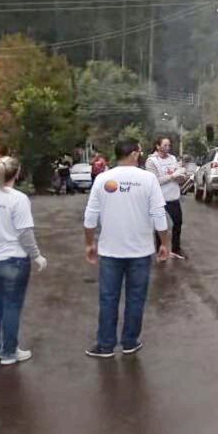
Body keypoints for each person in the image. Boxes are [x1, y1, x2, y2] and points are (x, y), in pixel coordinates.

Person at [83, 137, 170, 358]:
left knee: (108, 297)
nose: (140, 155)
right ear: (133, 154)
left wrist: (89, 243)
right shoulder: (148, 179)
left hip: (110, 252)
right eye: (139, 152)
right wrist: (165, 243)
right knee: (135, 297)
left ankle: (105, 345)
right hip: (140, 252)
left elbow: (90, 216)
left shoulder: (102, 179)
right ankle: (130, 342)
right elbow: (158, 214)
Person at [0, 156, 47, 366]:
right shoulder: (18, 199)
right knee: (11, 305)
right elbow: (24, 233)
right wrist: (37, 256)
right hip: (13, 259)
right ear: (17, 174)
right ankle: (9, 352)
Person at [145, 136, 187, 260]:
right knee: (160, 225)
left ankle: (176, 249)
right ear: (158, 146)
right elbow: (154, 181)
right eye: (164, 145)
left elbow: (177, 175)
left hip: (173, 196)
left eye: (169, 145)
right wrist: (172, 176)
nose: (167, 148)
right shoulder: (152, 161)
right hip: (159, 198)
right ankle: (160, 250)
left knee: (178, 223)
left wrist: (181, 177)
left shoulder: (173, 158)